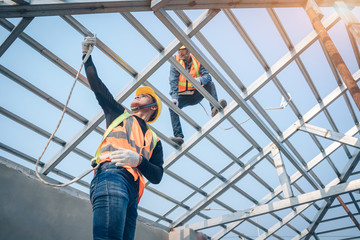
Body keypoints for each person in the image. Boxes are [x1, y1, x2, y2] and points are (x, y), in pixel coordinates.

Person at [82, 36, 164, 240]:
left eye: (143, 96)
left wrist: (138, 160)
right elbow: (98, 87)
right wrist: (86, 56)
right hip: (112, 175)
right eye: (137, 94)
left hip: (133, 192)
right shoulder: (119, 114)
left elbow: (157, 175)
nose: (137, 95)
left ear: (152, 107)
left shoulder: (154, 140)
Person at [169, 45, 227, 145]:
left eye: (182, 50)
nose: (180, 53)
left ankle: (214, 109)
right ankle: (179, 137)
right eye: (178, 50)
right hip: (184, 96)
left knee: (210, 84)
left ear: (188, 50)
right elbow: (173, 80)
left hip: (197, 93)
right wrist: (174, 97)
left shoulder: (197, 59)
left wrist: (200, 80)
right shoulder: (175, 61)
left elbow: (207, 76)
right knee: (172, 107)